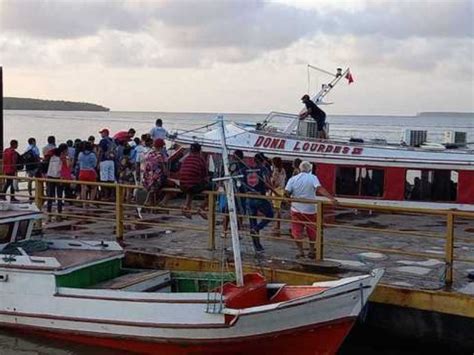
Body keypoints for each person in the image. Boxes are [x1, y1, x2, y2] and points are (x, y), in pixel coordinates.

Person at [285, 161, 337, 259]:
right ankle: (312, 250)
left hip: (296, 210)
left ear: (300, 169)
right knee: (312, 231)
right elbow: (319, 188)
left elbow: (286, 192)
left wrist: (288, 199)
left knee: (296, 232)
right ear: (310, 169)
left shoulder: (293, 179)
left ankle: (301, 252)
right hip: (310, 210)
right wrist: (331, 198)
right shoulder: (313, 177)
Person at [246, 153, 274, 253]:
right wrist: (275, 192)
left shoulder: (248, 170)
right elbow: (267, 183)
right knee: (270, 214)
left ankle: (257, 247)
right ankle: (258, 227)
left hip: (249, 198)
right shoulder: (263, 169)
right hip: (259, 197)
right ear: (262, 160)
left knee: (252, 222)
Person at [178, 143, 209, 218]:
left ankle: (186, 206)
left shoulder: (186, 159)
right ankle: (202, 207)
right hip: (193, 185)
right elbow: (205, 175)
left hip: (182, 185)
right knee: (215, 187)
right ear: (200, 151)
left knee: (191, 187)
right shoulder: (200, 159)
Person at [46, 143, 70, 219]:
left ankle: (49, 210)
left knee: (50, 194)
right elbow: (66, 168)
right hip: (58, 177)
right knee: (59, 195)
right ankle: (59, 211)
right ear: (64, 150)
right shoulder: (62, 158)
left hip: (50, 176)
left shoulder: (53, 156)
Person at [77, 141, 98, 207]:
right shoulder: (92, 155)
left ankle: (84, 203)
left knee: (83, 187)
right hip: (90, 172)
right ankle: (91, 202)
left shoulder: (80, 154)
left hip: (82, 172)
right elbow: (94, 164)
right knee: (94, 187)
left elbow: (79, 161)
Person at [98, 128, 116, 199]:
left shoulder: (103, 141)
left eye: (102, 133)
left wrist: (98, 162)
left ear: (105, 133)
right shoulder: (112, 140)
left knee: (104, 179)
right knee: (111, 179)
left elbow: (100, 151)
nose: (101, 134)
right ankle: (111, 195)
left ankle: (105, 196)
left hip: (104, 161)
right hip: (112, 161)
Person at [270, 157, 286, 235]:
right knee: (278, 208)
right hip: (281, 189)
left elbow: (273, 182)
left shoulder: (275, 171)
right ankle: (278, 224)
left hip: (276, 190)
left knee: (276, 209)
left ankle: (277, 225)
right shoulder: (283, 170)